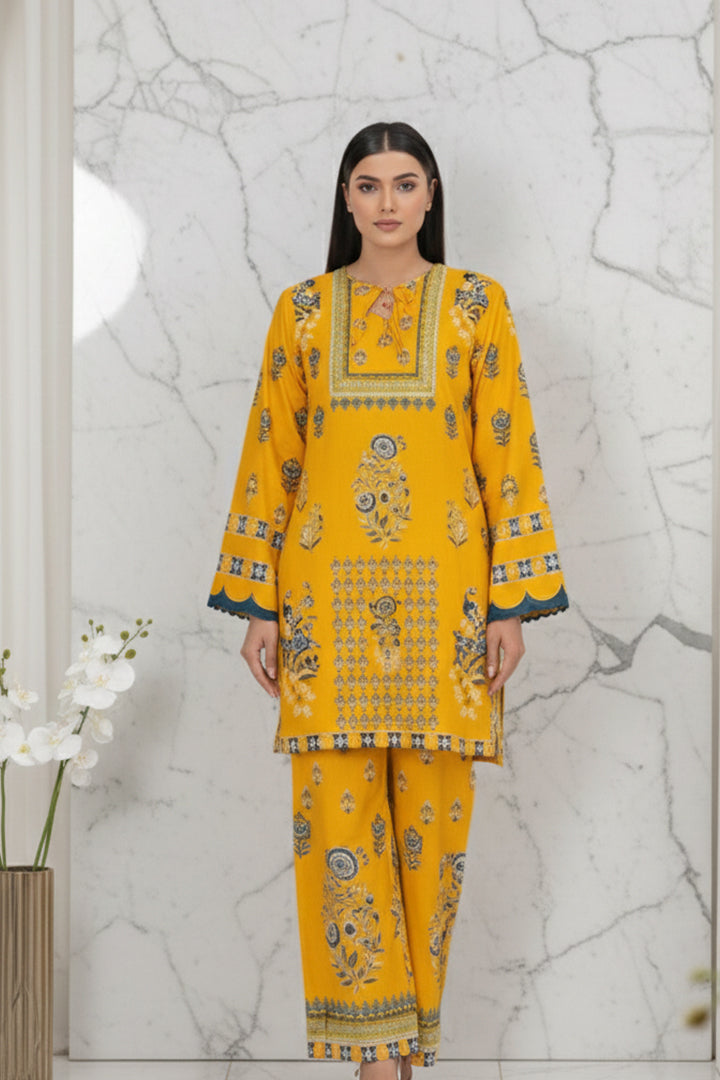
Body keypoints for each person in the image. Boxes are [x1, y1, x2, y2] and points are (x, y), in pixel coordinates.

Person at [208, 121, 569, 1078]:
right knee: (334, 828)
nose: (387, 203)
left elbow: (507, 453)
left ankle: (408, 1050)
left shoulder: (476, 307)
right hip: (323, 610)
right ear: (346, 199)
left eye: (405, 184)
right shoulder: (302, 313)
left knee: (433, 837)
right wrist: (259, 605)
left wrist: (509, 605)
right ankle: (376, 1060)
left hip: (446, 611)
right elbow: (272, 459)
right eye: (368, 185)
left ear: (432, 195)